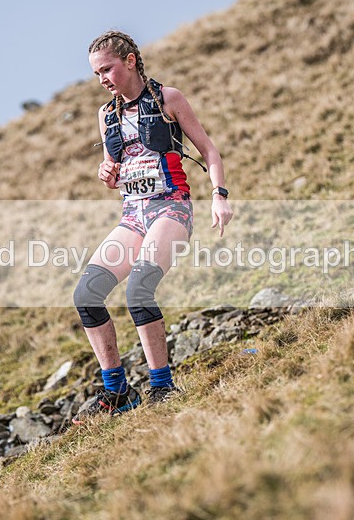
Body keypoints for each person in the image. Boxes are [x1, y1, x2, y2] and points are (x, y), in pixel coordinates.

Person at [72, 30, 233, 424]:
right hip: (132, 214)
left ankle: (162, 386)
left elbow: (208, 150)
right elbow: (116, 175)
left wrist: (220, 194)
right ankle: (117, 393)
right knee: (87, 294)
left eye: (106, 69)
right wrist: (107, 172)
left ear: (129, 61)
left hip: (171, 209)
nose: (102, 79)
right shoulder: (106, 115)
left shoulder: (169, 99)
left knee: (139, 288)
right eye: (96, 74)